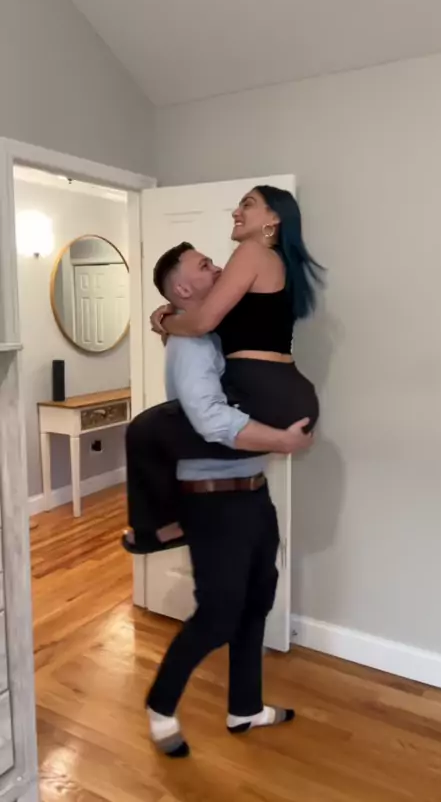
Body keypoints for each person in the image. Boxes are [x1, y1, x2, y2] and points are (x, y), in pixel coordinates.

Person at [144, 247, 313, 757]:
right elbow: (210, 419)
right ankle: (160, 705)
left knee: (258, 600)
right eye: (204, 266)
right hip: (213, 501)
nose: (218, 268)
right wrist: (282, 441)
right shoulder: (190, 346)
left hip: (251, 491)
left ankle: (245, 707)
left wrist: (166, 317)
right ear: (182, 289)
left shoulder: (212, 331)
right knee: (219, 614)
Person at [152, 184, 322, 440]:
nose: (236, 212)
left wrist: (165, 322)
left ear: (274, 217)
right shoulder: (277, 261)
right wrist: (174, 312)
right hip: (286, 391)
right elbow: (209, 315)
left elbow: (201, 323)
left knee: (147, 432)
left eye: (248, 204)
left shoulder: (252, 251)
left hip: (263, 391)